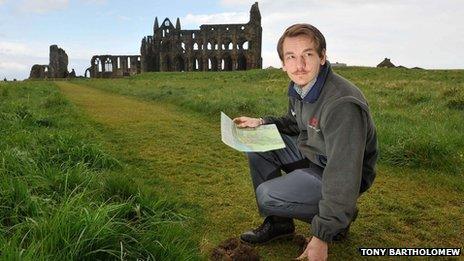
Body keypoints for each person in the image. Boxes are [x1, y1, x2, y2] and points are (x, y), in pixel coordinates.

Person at [233, 23, 378, 260]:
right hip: (315, 155)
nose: (299, 65)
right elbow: (294, 124)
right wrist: (260, 122)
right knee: (257, 145)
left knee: (267, 195)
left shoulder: (342, 105)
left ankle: (337, 220)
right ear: (283, 63)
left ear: (322, 57)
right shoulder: (302, 87)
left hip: (339, 172)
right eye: (291, 57)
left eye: (307, 55)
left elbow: (343, 173)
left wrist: (321, 236)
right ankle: (279, 224)